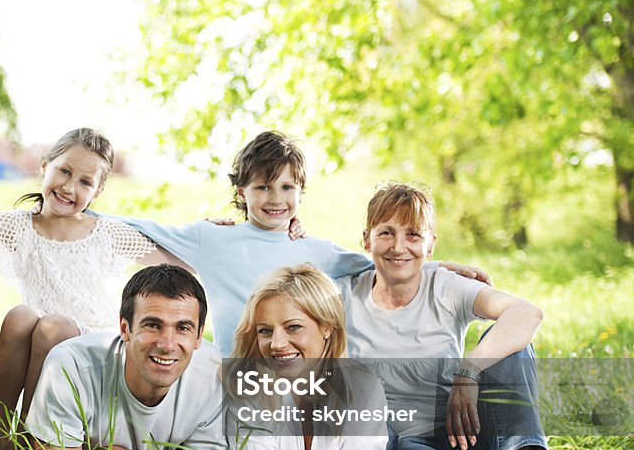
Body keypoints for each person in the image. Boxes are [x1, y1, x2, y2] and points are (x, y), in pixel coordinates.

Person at [0, 128, 178, 433]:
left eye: (85, 182)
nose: (69, 187)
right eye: (64, 171)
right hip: (41, 339)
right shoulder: (15, 226)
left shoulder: (107, 232)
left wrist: (211, 234)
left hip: (95, 345)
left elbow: (175, 260)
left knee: (54, 326)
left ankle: (33, 434)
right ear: (44, 166)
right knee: (20, 315)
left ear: (97, 192)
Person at [111, 131, 488, 356]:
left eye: (287, 187)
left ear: (300, 192)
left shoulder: (314, 250)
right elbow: (131, 227)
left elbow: (381, 264)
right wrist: (63, 208)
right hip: (235, 373)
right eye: (263, 187)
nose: (276, 199)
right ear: (242, 193)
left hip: (295, 373)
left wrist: (442, 267)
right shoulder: (212, 237)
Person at [336, 182, 568, 450]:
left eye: (413, 235)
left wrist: (468, 371)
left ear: (431, 244)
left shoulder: (445, 287)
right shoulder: (343, 295)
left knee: (512, 347)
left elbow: (527, 313)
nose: (399, 246)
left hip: (461, 426)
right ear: (366, 239)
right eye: (386, 233)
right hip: (398, 444)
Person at [25, 265, 229, 450]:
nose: (167, 345)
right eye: (152, 325)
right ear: (125, 328)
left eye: (183, 328)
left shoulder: (213, 373)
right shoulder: (71, 366)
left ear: (199, 335)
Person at [228, 265, 393, 450]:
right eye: (265, 330)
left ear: (327, 326)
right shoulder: (248, 390)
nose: (277, 344)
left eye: (293, 327)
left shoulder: (364, 388)